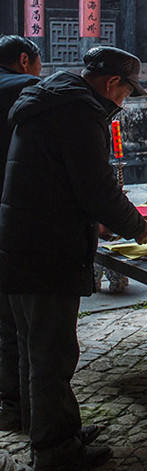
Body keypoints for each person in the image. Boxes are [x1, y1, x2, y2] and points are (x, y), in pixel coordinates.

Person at [0, 46, 147, 470]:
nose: (123, 102)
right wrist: (140, 228)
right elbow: (98, 190)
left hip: (20, 240)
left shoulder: (52, 98)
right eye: (126, 93)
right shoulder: (81, 113)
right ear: (111, 84)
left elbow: (62, 179)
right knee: (52, 356)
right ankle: (55, 452)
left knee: (33, 349)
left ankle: (50, 430)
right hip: (46, 248)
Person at [0, 36, 41, 435]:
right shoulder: (28, 90)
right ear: (25, 61)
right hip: (17, 216)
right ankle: (41, 423)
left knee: (5, 322)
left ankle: (11, 409)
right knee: (29, 328)